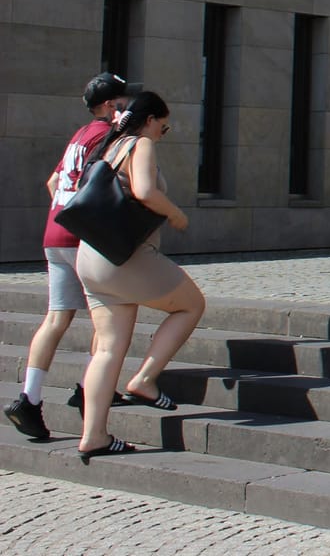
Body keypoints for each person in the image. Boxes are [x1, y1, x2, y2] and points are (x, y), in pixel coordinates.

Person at [72, 92, 206, 463]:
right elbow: (145, 191)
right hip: (126, 257)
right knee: (192, 306)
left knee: (107, 349)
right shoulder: (140, 144)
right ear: (150, 120)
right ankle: (145, 379)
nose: (164, 131)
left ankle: (93, 436)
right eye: (164, 124)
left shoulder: (106, 145)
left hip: (90, 257)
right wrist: (176, 215)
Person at [7, 73, 129, 442]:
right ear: (110, 106)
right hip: (82, 238)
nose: (125, 108)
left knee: (56, 318)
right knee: (106, 315)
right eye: (121, 102)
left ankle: (30, 397)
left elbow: (52, 182)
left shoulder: (79, 135)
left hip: (54, 232)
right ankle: (88, 387)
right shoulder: (105, 135)